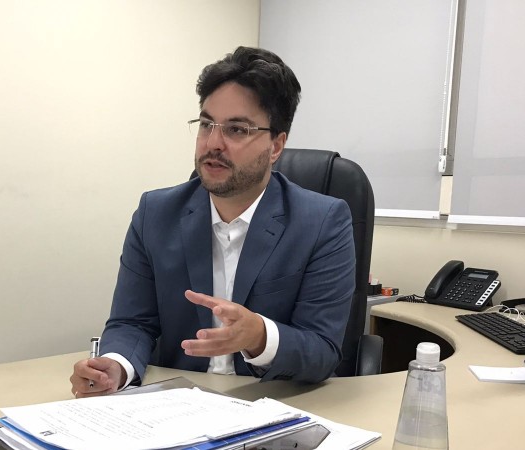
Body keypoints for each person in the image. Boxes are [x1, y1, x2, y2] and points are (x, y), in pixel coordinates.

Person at [70, 46, 355, 397]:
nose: (213, 143)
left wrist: (260, 337)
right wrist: (116, 366)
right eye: (206, 125)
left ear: (276, 145)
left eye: (236, 129)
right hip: (177, 406)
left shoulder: (323, 222)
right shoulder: (155, 213)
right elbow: (133, 322)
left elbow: (323, 351)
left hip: (272, 406)